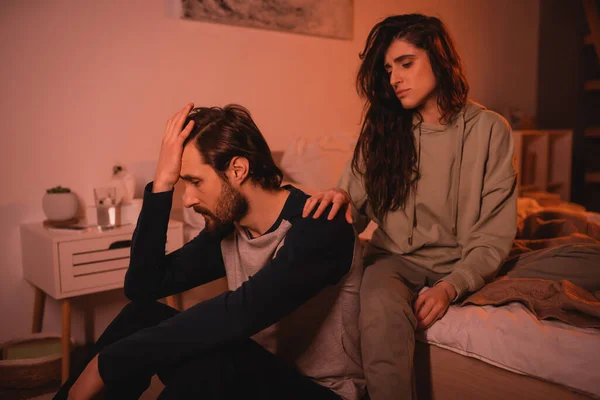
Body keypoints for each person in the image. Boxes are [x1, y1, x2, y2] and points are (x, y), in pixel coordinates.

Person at [56, 103, 365, 399]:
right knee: (143, 315)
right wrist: (162, 182)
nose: (188, 199)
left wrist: (106, 364)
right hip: (252, 375)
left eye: (194, 181)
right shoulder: (230, 230)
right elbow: (143, 286)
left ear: (237, 170)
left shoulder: (321, 225)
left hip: (321, 392)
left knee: (215, 357)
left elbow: (242, 313)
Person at [303, 14, 517, 399]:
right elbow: (352, 202)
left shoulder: (489, 129)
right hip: (394, 260)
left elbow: (493, 234)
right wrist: (338, 202)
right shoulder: (382, 130)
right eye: (388, 69)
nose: (395, 78)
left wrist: (452, 287)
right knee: (379, 307)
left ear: (438, 58)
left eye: (406, 63)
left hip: (460, 260)